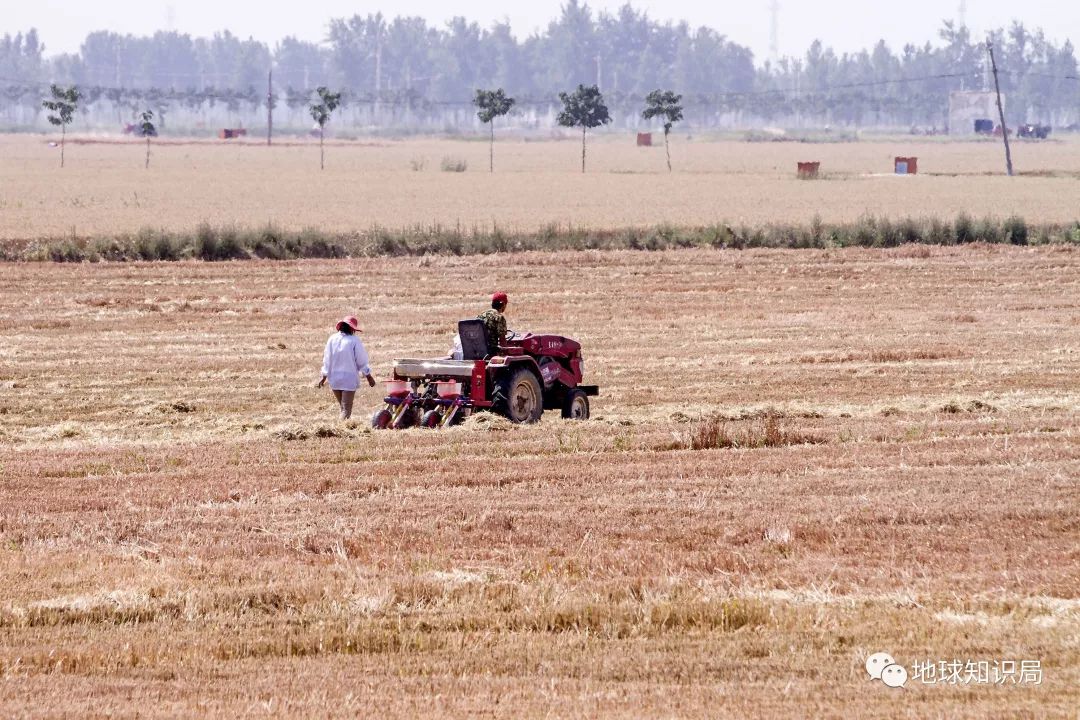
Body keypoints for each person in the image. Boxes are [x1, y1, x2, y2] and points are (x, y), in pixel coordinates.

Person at [317, 316, 376, 420]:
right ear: (352, 329)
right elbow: (361, 360)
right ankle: (341, 430)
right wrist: (368, 376)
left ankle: (341, 427)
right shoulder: (354, 341)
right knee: (346, 410)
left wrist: (323, 376)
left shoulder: (332, 339)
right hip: (349, 379)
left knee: (343, 408)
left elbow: (327, 359)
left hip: (334, 378)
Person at [478, 291, 509, 357]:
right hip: (491, 352)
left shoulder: (481, 315)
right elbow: (502, 341)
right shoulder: (499, 317)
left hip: (478, 351)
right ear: (503, 304)